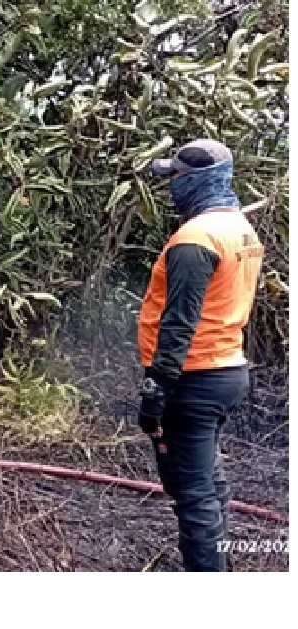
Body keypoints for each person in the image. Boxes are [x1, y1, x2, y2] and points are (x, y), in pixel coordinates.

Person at [138, 138, 264, 571]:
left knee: (191, 492)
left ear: (197, 181)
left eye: (176, 177)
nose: (172, 185)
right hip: (225, 368)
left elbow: (179, 322)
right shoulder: (240, 229)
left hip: (193, 377)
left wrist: (155, 388)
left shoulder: (196, 238)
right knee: (209, 482)